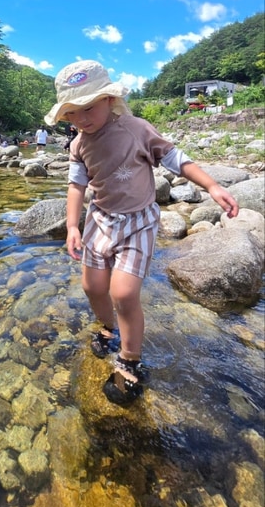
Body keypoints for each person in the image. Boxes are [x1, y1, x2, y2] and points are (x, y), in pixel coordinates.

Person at [44, 60, 239, 406]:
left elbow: (176, 159)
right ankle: (108, 328)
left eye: (89, 108)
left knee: (123, 292)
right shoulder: (78, 145)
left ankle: (130, 358)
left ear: (109, 100)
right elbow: (76, 187)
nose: (83, 119)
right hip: (100, 219)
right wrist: (73, 225)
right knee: (92, 286)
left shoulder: (136, 129)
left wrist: (212, 186)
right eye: (72, 113)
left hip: (137, 222)